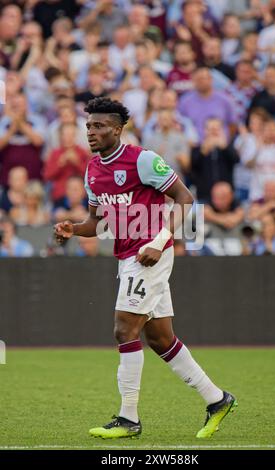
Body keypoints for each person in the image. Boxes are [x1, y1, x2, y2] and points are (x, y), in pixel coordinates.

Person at [54, 97, 237, 440]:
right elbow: (96, 222)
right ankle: (218, 399)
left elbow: (184, 198)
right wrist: (73, 229)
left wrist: (160, 240)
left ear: (118, 129)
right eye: (89, 126)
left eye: (99, 126)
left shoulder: (143, 160)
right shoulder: (93, 170)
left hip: (151, 252)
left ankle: (128, 418)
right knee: (160, 337)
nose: (91, 132)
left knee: (124, 331)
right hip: (128, 256)